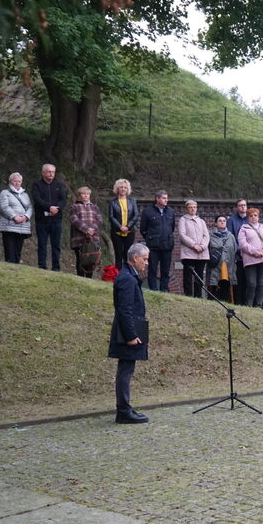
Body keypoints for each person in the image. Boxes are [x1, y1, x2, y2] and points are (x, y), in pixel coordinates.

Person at [109, 242, 150, 424]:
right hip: (127, 332)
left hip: (129, 330)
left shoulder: (129, 276)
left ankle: (124, 409)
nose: (146, 263)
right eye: (145, 259)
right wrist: (131, 335)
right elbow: (124, 309)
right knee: (125, 371)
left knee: (126, 369)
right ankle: (123, 410)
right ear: (135, 258)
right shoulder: (126, 278)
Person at [139, 190, 176, 292]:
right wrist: (150, 238)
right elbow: (143, 229)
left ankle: (164, 290)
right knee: (152, 269)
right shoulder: (147, 211)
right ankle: (153, 290)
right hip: (153, 246)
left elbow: (172, 228)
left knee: (165, 270)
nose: (166, 200)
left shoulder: (170, 212)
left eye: (167, 198)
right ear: (157, 198)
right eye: (164, 198)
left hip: (167, 246)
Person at [31, 163, 66, 270]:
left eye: (53, 172)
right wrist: (49, 207)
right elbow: (37, 200)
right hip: (42, 220)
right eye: (49, 172)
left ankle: (56, 267)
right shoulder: (37, 185)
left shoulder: (59, 185)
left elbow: (63, 199)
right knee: (42, 244)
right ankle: (42, 266)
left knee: (56, 245)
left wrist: (57, 209)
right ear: (43, 173)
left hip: (56, 219)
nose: (51, 174)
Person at [237, 208, 263, 307]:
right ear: (248, 217)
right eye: (251, 216)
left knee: (261, 283)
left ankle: (258, 305)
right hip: (250, 260)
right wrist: (254, 252)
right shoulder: (244, 228)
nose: (253, 217)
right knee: (252, 283)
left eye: (255, 215)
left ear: (258, 216)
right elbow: (242, 244)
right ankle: (249, 304)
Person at [0, 172, 32, 264]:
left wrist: (26, 216)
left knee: (18, 251)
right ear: (10, 182)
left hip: (22, 226)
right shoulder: (5, 193)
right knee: (9, 250)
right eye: (15, 181)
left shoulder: (25, 195)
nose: (17, 183)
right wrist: (14, 216)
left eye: (19, 181)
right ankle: (9, 266)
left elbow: (30, 207)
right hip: (9, 225)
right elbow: (4, 206)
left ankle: (16, 268)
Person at [69, 186, 103, 279]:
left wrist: (92, 230)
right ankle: (80, 278)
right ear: (79, 196)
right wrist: (86, 229)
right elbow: (74, 220)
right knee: (80, 259)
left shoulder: (95, 207)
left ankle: (89, 279)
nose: (86, 196)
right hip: (79, 238)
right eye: (84, 194)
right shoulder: (74, 207)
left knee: (91, 259)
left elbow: (99, 220)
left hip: (93, 239)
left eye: (87, 194)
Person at [178, 200, 210, 298]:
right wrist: (193, 245)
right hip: (189, 253)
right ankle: (188, 295)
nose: (193, 209)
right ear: (186, 208)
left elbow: (206, 235)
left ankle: (198, 296)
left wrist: (203, 246)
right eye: (191, 207)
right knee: (188, 275)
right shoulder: (183, 220)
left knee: (199, 275)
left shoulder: (201, 221)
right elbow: (182, 235)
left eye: (194, 207)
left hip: (202, 253)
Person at [108, 178, 139, 272]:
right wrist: (120, 227)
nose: (123, 189)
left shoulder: (132, 201)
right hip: (116, 232)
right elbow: (111, 216)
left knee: (127, 254)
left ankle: (127, 273)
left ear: (128, 189)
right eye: (121, 187)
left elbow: (136, 215)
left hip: (129, 231)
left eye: (125, 187)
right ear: (117, 189)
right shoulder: (113, 202)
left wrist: (128, 226)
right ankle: (118, 275)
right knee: (118, 254)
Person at [206, 215, 237, 302]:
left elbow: (234, 249)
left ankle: (226, 302)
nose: (222, 222)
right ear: (216, 223)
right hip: (215, 266)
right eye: (220, 220)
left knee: (226, 284)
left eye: (224, 220)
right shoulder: (210, 235)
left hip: (228, 265)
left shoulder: (231, 236)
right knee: (214, 286)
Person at [227, 198, 249, 304]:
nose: (243, 207)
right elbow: (231, 237)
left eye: (244, 205)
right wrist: (240, 250)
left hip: (250, 256)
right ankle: (239, 303)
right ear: (237, 207)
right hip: (238, 256)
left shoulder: (250, 219)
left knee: (249, 282)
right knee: (239, 281)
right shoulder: (231, 220)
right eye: (240, 205)